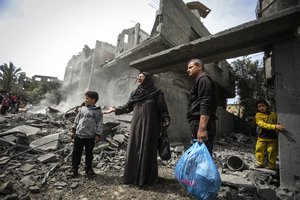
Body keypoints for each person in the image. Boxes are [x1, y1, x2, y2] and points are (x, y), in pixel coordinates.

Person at [103, 72, 170, 186]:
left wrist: (165, 119)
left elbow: (162, 108)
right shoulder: (135, 93)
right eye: (138, 76)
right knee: (134, 147)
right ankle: (132, 177)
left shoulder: (156, 93)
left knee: (148, 148)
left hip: (151, 125)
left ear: (147, 79)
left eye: (142, 76)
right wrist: (114, 110)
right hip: (137, 125)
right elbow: (127, 107)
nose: (139, 78)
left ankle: (148, 179)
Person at [186, 58, 218, 155]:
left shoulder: (203, 79)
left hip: (201, 123)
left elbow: (205, 103)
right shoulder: (201, 80)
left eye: (191, 67)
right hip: (199, 123)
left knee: (202, 157)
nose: (188, 70)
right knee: (200, 156)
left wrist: (202, 128)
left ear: (199, 67)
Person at [70, 91, 103, 177]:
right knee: (76, 153)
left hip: (90, 136)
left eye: (87, 98)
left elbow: (99, 123)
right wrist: (73, 130)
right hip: (79, 135)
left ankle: (88, 169)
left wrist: (98, 134)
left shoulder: (97, 111)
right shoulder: (82, 109)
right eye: (85, 98)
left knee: (89, 154)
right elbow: (77, 120)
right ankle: (74, 169)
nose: (85, 100)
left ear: (93, 100)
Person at [255, 99, 285, 170]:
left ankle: (271, 165)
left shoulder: (273, 115)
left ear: (267, 106)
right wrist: (275, 126)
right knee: (259, 150)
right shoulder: (258, 115)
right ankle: (260, 163)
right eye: (259, 106)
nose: (261, 108)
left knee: (272, 151)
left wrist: (277, 127)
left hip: (272, 138)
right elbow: (261, 124)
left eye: (263, 106)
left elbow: (278, 122)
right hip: (262, 137)